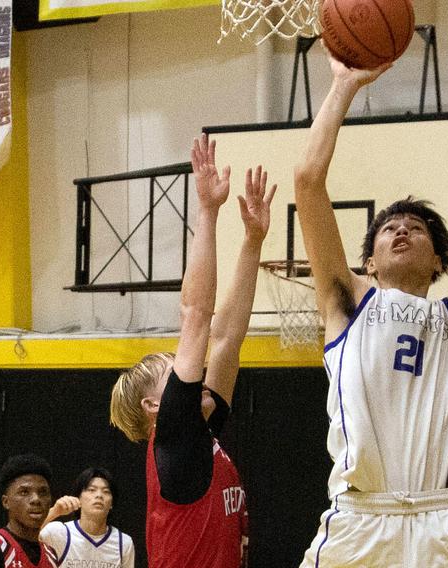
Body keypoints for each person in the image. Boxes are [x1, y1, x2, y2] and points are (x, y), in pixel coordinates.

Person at [294, 48, 448, 567]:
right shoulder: (346, 302)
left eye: (415, 228)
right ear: (368, 261)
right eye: (389, 228)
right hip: (360, 519)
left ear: (438, 260)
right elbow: (307, 179)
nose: (401, 230)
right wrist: (343, 86)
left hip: (443, 522)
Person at [109, 135, 275, 568]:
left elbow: (226, 338)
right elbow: (197, 315)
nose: (193, 371)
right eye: (175, 373)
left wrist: (254, 241)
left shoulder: (201, 435)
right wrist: (207, 211)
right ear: (154, 405)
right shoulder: (175, 435)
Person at [0, 454, 58, 568]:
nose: (36, 499)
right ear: (5, 502)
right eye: (24, 492)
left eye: (43, 492)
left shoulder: (51, 556)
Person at [39, 467, 135, 568]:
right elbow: (25, 537)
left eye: (106, 491)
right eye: (91, 490)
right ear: (78, 497)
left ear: (111, 503)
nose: (99, 495)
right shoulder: (59, 533)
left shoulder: (123, 542)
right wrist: (54, 511)